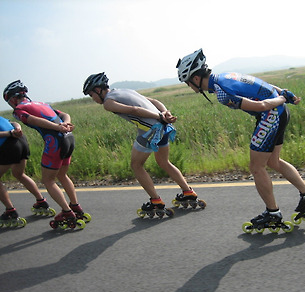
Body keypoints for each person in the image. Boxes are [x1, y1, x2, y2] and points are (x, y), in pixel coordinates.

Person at [176, 49, 305, 225]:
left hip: (270, 113)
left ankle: (273, 213)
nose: (190, 87)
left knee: (257, 167)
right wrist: (282, 92)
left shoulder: (222, 92)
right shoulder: (226, 75)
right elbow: (261, 85)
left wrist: (282, 98)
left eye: (188, 83)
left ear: (196, 79)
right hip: (279, 112)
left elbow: (262, 105)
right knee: (273, 162)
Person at [83, 72, 198, 213]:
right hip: (163, 127)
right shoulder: (125, 90)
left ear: (98, 90)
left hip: (150, 130)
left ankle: (156, 201)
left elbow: (134, 110)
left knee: (136, 165)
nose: (92, 98)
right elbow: (154, 101)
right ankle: (188, 192)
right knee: (164, 162)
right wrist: (165, 113)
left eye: (91, 94)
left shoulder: (108, 103)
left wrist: (161, 116)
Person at [3, 80, 88, 226]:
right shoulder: (41, 103)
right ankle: (75, 206)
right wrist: (65, 124)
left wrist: (57, 127)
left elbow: (33, 120)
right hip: (69, 138)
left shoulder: (19, 109)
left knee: (48, 180)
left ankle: (67, 212)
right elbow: (65, 114)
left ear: (12, 98)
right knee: (62, 174)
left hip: (55, 140)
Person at [0, 116, 48, 226]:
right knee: (19, 174)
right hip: (21, 141)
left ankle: (10, 211)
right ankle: (41, 202)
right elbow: (14, 123)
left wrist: (10, 134)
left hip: (8, 144)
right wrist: (17, 129)